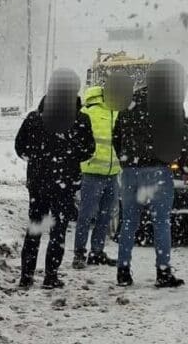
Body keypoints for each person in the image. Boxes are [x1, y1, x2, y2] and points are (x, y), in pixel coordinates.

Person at [15, 69, 96, 289]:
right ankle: (51, 276)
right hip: (65, 183)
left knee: (35, 227)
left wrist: (37, 160)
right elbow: (88, 150)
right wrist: (69, 159)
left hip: (38, 183)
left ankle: (26, 276)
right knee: (58, 230)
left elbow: (20, 147)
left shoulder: (34, 118)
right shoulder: (81, 120)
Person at [112, 59, 186, 288]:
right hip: (158, 170)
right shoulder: (171, 103)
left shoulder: (129, 101)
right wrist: (180, 163)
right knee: (161, 222)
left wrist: (126, 160)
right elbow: (182, 137)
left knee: (128, 222)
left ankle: (123, 272)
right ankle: (163, 272)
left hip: (130, 171)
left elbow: (117, 136)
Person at [71, 75, 131, 268]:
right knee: (88, 215)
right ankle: (80, 254)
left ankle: (95, 253)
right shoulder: (88, 111)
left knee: (103, 216)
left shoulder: (116, 112)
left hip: (111, 173)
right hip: (93, 173)